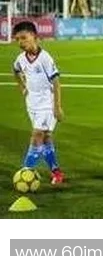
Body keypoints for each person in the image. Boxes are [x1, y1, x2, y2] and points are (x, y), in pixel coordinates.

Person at [12, 21, 65, 185]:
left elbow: (56, 82)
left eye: (24, 38)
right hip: (32, 104)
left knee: (37, 135)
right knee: (46, 138)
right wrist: (22, 87)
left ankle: (25, 171)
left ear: (34, 36)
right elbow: (15, 70)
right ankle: (56, 172)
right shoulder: (21, 59)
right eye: (17, 39)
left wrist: (57, 107)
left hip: (47, 104)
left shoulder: (45, 58)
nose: (20, 42)